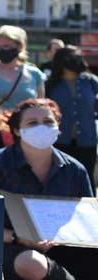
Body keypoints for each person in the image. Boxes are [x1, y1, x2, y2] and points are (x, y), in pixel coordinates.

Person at [0, 99, 98, 280]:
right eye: (32, 123)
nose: (41, 127)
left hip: (62, 246)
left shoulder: (75, 170)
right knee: (32, 264)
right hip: (10, 246)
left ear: (58, 126)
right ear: (17, 131)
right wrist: (19, 237)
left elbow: (86, 221)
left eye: (48, 121)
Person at [45, 46, 98, 186]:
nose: (74, 62)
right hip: (60, 141)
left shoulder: (91, 81)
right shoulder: (50, 85)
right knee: (60, 180)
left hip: (87, 140)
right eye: (70, 59)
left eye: (77, 58)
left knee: (87, 179)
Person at [0, 25, 44, 112]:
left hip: (24, 124)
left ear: (20, 47)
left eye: (6, 46)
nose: (2, 50)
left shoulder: (35, 74)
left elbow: (40, 107)